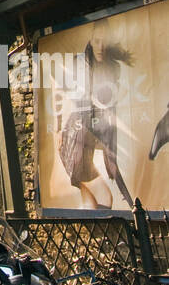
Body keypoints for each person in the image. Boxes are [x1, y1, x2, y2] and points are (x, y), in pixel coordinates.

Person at [56, 20, 134, 209]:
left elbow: (109, 107)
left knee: (89, 202)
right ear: (90, 40)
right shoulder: (78, 63)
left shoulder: (114, 68)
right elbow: (61, 93)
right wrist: (58, 128)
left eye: (104, 42)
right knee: (104, 199)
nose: (101, 46)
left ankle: (95, 238)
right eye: (97, 41)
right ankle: (100, 237)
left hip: (89, 138)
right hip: (74, 138)